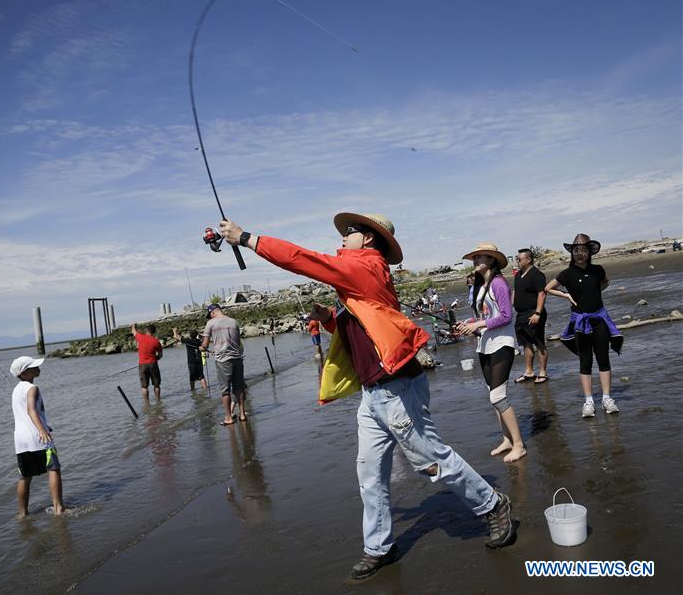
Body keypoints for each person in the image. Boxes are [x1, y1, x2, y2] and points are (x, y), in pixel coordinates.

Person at [218, 213, 516, 581]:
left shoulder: (367, 267)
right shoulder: (361, 274)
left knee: (431, 460)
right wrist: (330, 318)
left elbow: (302, 259)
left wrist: (246, 237)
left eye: (350, 232)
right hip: (373, 392)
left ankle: (492, 504)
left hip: (396, 387)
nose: (342, 237)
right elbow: (365, 324)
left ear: (370, 240)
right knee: (370, 474)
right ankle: (379, 546)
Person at [456, 243, 526, 464]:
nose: (476, 261)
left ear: (493, 260)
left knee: (498, 396)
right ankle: (506, 440)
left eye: (481, 257)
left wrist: (479, 325)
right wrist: (468, 323)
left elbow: (506, 316)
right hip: (485, 345)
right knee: (492, 396)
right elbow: (485, 316)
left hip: (502, 344)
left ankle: (519, 445)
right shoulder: (481, 284)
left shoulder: (498, 283)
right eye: (474, 258)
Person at [545, 234, 623, 418]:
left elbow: (605, 282)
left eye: (584, 250)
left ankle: (606, 398)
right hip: (580, 322)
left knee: (603, 359)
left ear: (590, 252)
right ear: (572, 252)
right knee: (585, 361)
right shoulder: (567, 273)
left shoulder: (598, 270)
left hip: (599, 320)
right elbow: (548, 288)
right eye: (576, 250)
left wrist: (595, 291)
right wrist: (566, 295)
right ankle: (588, 401)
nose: (580, 254)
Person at [10, 356, 65, 518]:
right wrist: (42, 430)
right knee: (54, 469)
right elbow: (31, 410)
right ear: (25, 373)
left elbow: (26, 414)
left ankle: (22, 513)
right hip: (37, 437)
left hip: (20, 441)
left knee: (25, 476)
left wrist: (44, 425)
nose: (38, 368)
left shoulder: (16, 390)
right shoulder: (33, 388)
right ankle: (59, 509)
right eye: (34, 366)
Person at [201, 304, 246, 425]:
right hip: (237, 358)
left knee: (225, 391)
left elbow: (205, 345)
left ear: (212, 313)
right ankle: (242, 415)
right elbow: (237, 342)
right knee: (239, 388)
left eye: (209, 315)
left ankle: (228, 418)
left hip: (222, 360)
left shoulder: (210, 323)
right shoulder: (234, 322)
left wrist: (202, 348)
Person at [512, 248, 549, 384]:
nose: (517, 261)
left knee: (539, 343)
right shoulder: (518, 274)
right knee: (525, 343)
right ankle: (529, 371)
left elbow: (542, 294)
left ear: (528, 259)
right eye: (517, 259)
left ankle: (543, 372)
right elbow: (516, 291)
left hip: (534, 312)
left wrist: (538, 313)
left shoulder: (536, 274)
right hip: (521, 314)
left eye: (519, 259)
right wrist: (511, 306)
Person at [132, 323, 163, 402]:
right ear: (154, 332)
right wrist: (155, 358)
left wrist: (133, 326)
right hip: (153, 364)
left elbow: (134, 331)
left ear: (146, 331)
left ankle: (146, 403)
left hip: (142, 364)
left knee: (144, 386)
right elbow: (160, 355)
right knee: (156, 384)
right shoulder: (156, 341)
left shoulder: (140, 337)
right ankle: (158, 400)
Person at [173, 327, 208, 391]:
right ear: (196, 335)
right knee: (201, 376)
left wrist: (174, 331)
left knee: (192, 377)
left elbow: (176, 337)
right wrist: (200, 336)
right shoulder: (199, 341)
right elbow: (204, 340)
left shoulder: (187, 340)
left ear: (190, 335)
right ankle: (205, 389)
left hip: (191, 362)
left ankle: (192, 390)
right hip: (199, 360)